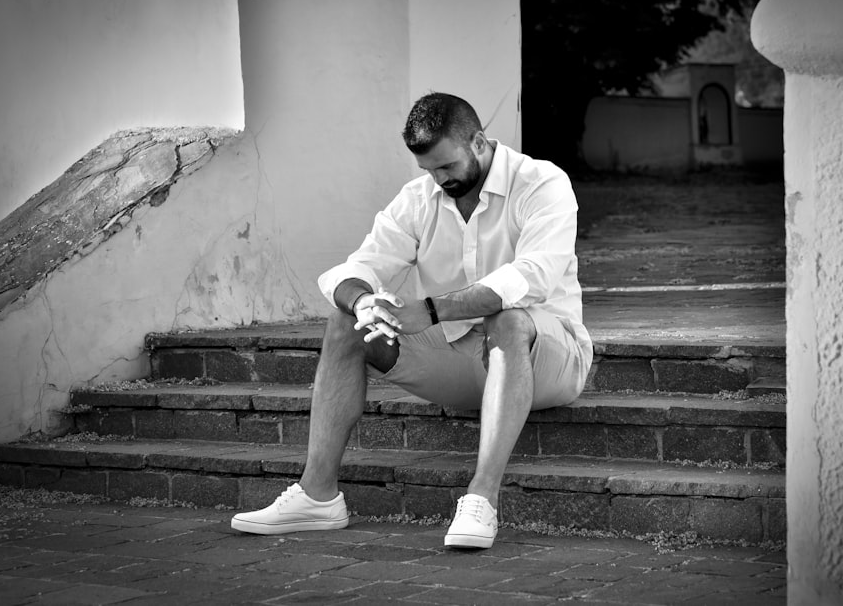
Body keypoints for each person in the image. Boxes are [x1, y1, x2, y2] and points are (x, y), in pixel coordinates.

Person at [231, 92, 593, 549]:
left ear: (478, 141)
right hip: (462, 361)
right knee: (345, 323)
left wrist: (432, 310)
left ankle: (482, 499)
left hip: (550, 360)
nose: (439, 180)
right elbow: (357, 266)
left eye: (446, 167)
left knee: (509, 319)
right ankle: (318, 496)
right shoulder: (420, 197)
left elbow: (532, 277)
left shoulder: (542, 183)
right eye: (428, 170)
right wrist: (363, 302)